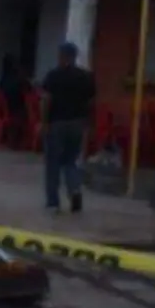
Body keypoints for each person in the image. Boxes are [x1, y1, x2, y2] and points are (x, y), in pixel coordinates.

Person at [39, 40, 95, 213]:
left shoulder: (53, 75)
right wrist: (88, 122)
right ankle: (75, 189)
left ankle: (53, 203)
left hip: (57, 123)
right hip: (77, 124)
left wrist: (44, 122)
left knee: (53, 164)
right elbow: (92, 102)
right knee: (71, 161)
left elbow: (46, 100)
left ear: (62, 56)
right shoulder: (85, 77)